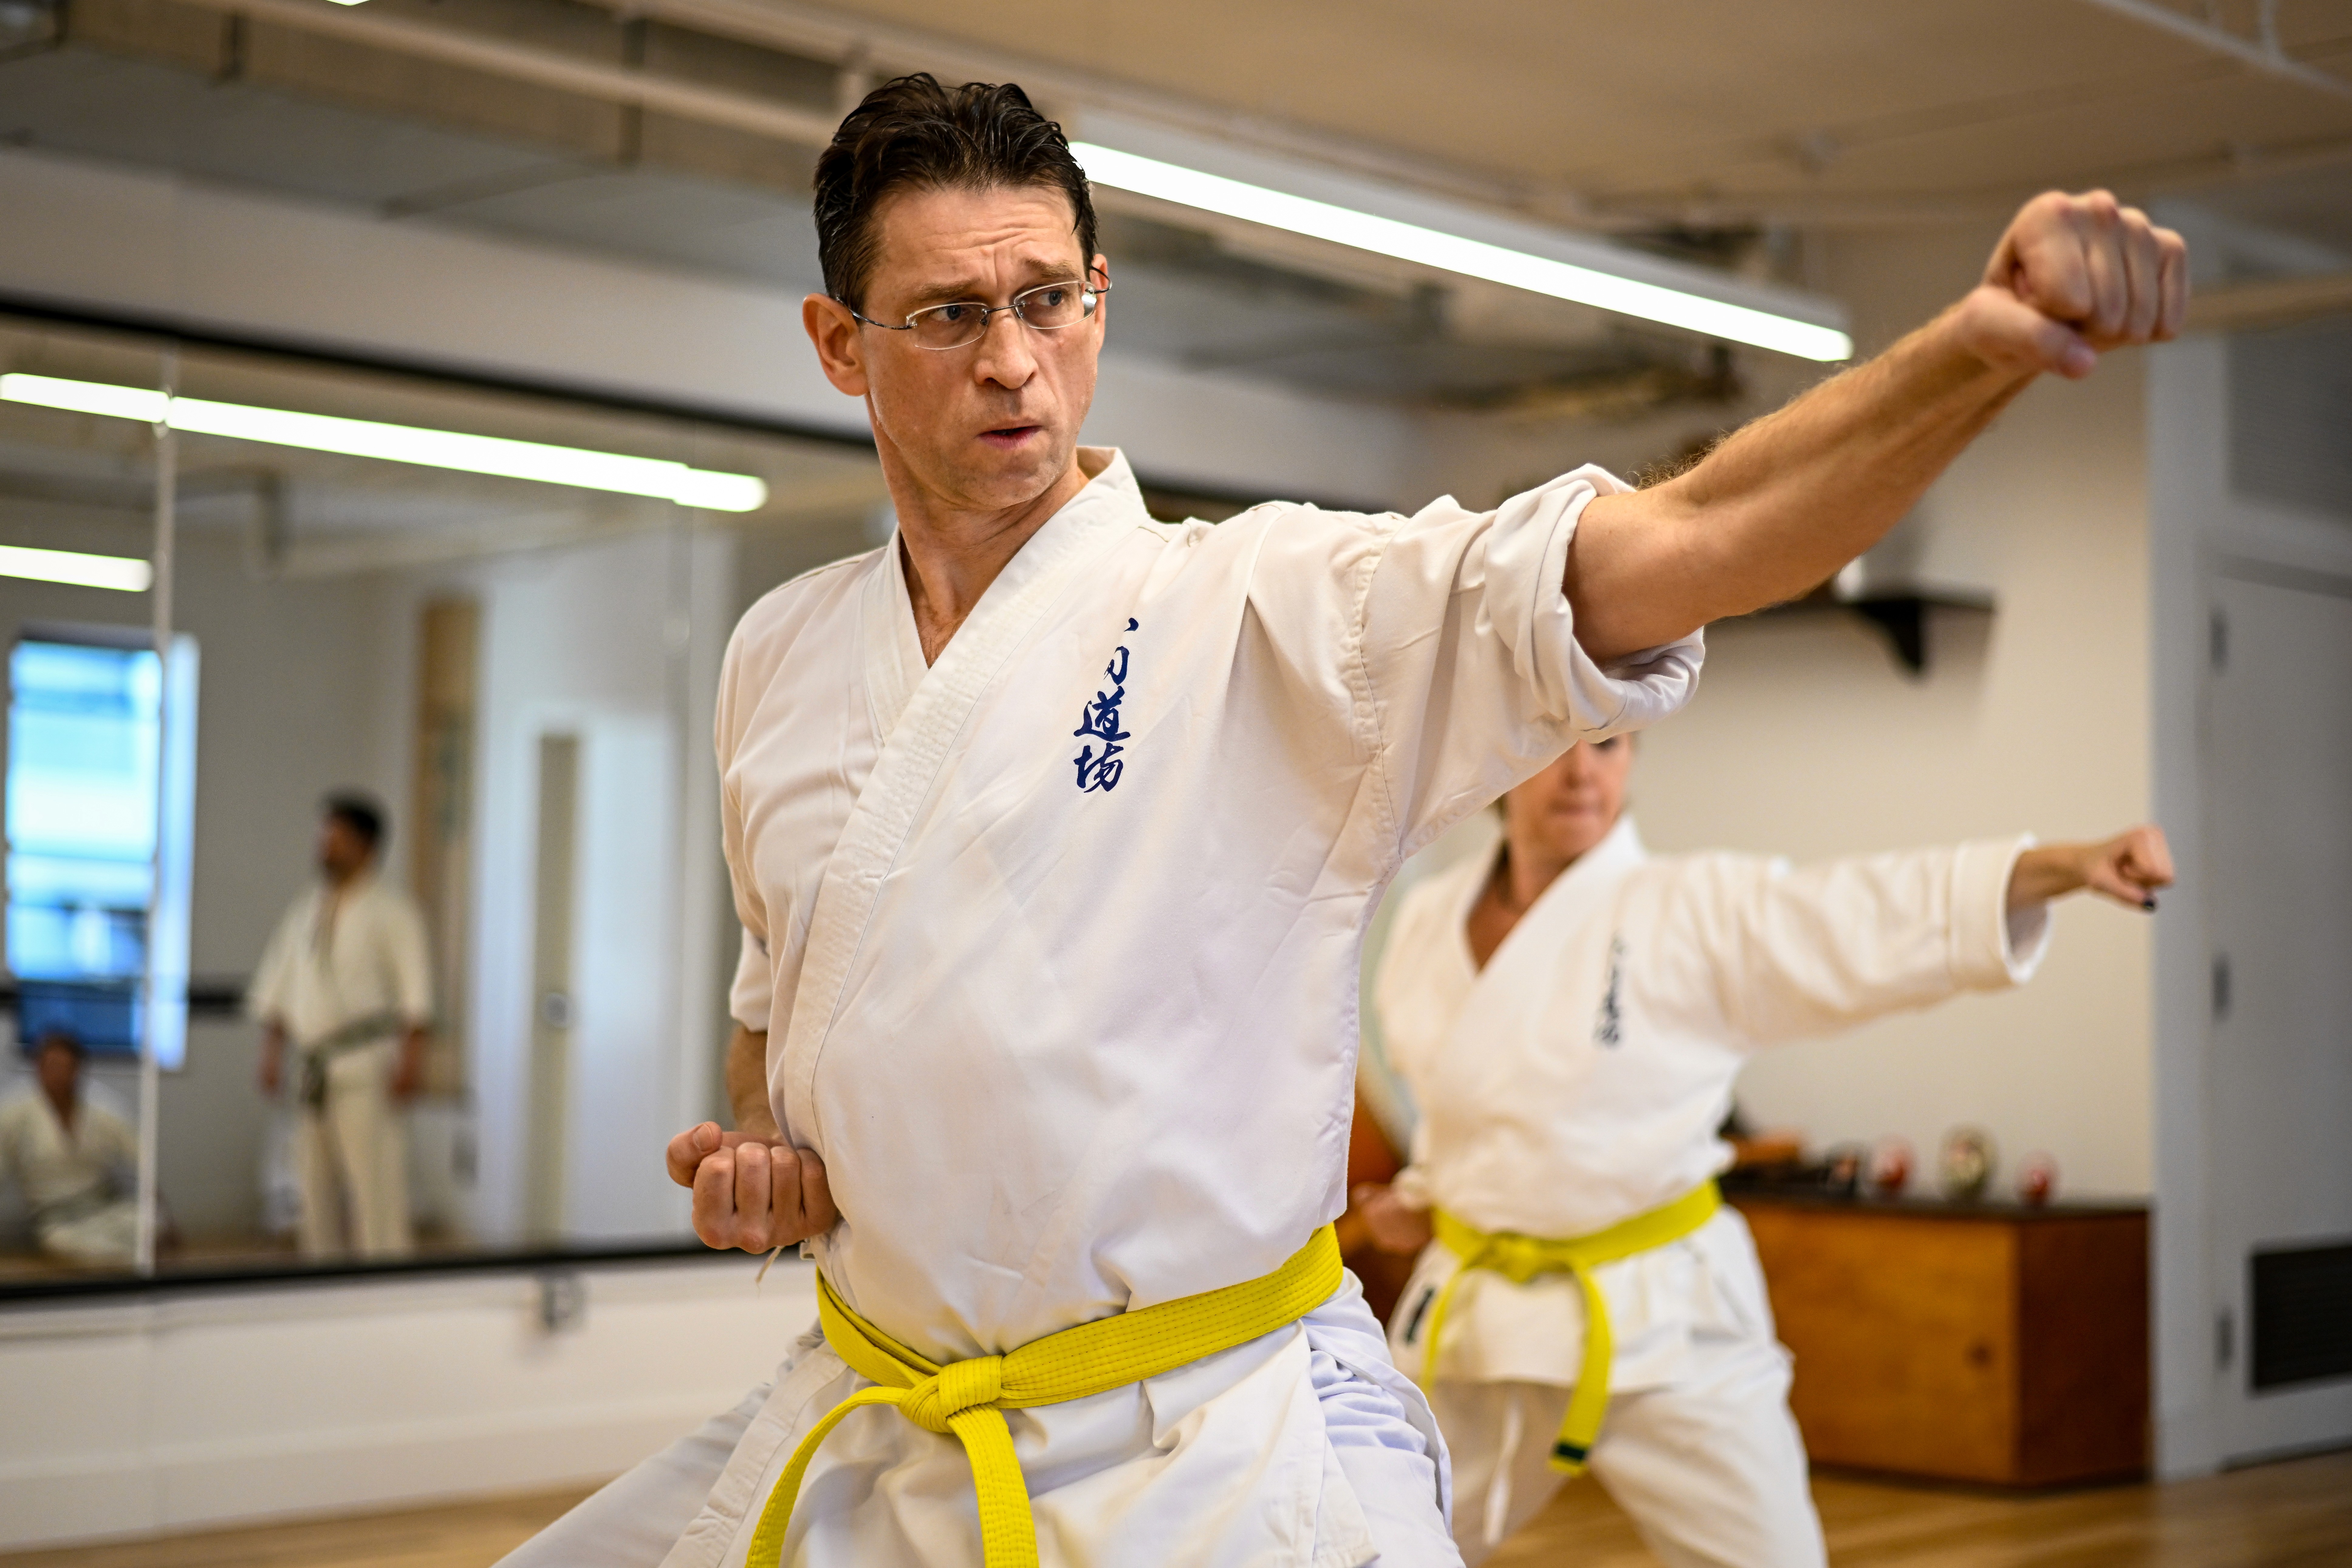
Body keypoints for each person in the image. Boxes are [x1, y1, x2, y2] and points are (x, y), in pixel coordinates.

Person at [498, 73, 2183, 1568]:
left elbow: (1680, 542)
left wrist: (1973, 347)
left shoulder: (1264, 608)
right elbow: (773, 1022)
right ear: (836, 341)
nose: (1014, 362)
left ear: (1102, 300)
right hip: (883, 1405)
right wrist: (765, 1159)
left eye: (1047, 299)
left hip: (1211, 1444)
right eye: (946, 316)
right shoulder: (778, 655)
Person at [1351, 736, 2175, 1566]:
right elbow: (1472, 1115)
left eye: (1608, 745)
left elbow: (1857, 914)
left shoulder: (1688, 908)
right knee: (1366, 1541)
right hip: (1478, 1316)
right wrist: (1427, 1197)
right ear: (1501, 752)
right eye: (1557, 746)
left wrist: (2060, 866)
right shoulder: (1429, 916)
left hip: (1662, 1316)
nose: (1581, 774)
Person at [252, 792, 433, 1259]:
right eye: (322, 836)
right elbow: (279, 987)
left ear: (365, 845)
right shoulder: (305, 910)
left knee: (374, 1184)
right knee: (311, 1187)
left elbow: (416, 995)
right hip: (311, 1065)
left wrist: (412, 1062)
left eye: (334, 837)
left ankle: (385, 1278)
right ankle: (322, 1275)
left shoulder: (392, 911)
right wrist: (271, 1053)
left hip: (365, 1065)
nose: (324, 846)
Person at [0, 1029, 141, 1265]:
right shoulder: (14, 1112)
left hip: (105, 1209)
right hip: (56, 1219)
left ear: (78, 1069)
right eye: (51, 1066)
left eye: (66, 1067)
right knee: (70, 1246)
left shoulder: (103, 1107)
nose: (58, 1074)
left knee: (147, 1228)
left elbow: (143, 1160)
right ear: (38, 1068)